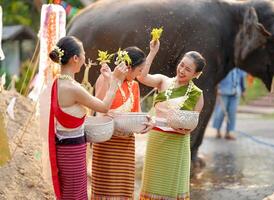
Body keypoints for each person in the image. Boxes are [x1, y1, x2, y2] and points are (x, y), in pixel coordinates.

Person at [48, 36, 127, 200]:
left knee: (71, 192)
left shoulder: (58, 83)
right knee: (75, 194)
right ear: (75, 58)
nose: (85, 59)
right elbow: (103, 107)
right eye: (83, 54)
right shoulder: (72, 88)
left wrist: (108, 80)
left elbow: (92, 104)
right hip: (71, 151)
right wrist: (115, 80)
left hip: (66, 148)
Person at [137, 43, 205, 200]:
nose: (182, 70)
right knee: (153, 183)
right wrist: (153, 52)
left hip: (178, 143)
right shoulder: (162, 81)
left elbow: (193, 122)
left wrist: (188, 130)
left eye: (188, 69)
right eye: (182, 65)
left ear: (196, 74)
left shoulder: (197, 94)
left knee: (172, 185)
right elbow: (142, 77)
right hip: (157, 139)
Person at [91, 43, 158, 199]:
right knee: (106, 188)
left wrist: (147, 123)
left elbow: (137, 115)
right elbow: (98, 109)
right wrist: (111, 80)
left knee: (123, 189)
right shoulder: (105, 78)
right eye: (139, 70)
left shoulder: (134, 85)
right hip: (106, 143)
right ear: (128, 67)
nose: (139, 74)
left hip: (126, 144)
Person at [212, 68, 246, 140]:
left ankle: (228, 132)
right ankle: (218, 131)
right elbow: (217, 76)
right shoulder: (224, 64)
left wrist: (243, 89)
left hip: (236, 92)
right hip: (223, 92)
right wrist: (216, 88)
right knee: (220, 112)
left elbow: (241, 77)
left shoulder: (238, 65)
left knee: (232, 112)